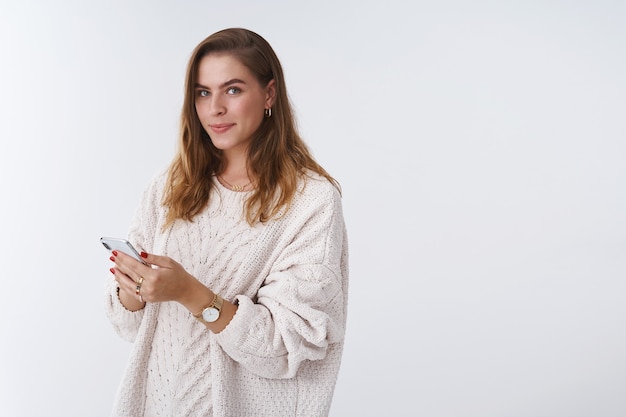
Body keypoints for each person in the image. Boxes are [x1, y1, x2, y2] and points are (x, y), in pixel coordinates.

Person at [104, 27, 349, 417]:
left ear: (269, 94)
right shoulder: (171, 183)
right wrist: (135, 287)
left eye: (232, 90)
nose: (214, 108)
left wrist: (189, 292)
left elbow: (286, 347)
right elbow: (128, 326)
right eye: (203, 92)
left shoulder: (310, 201)